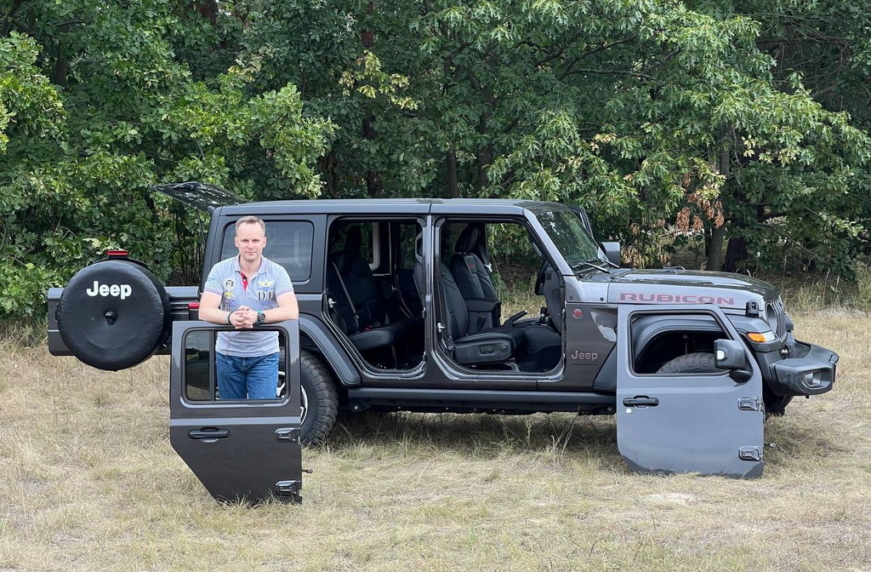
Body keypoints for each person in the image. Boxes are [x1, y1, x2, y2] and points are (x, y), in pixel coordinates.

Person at [199, 216, 299, 399]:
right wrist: (230, 318)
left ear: (264, 242)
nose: (250, 246)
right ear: (236, 242)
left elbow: (291, 310)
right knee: (231, 412)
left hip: (265, 356)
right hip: (227, 355)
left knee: (262, 412)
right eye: (245, 240)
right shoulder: (220, 270)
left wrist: (258, 317)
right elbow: (204, 311)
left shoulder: (277, 272)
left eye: (255, 240)